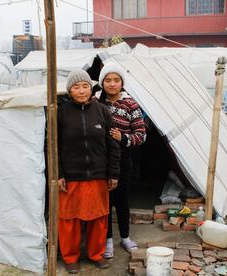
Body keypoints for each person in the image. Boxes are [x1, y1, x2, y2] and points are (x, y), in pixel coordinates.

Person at [57, 69, 121, 274]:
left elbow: (113, 145)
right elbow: (53, 146)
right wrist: (58, 174)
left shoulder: (102, 111)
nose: (81, 90)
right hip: (71, 176)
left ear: (91, 88)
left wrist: (113, 173)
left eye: (85, 86)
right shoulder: (61, 112)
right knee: (69, 220)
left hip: (98, 175)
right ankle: (70, 258)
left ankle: (96, 254)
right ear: (70, 90)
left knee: (98, 218)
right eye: (76, 87)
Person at [94, 63, 146, 258]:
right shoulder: (96, 102)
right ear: (102, 83)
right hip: (100, 158)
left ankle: (124, 237)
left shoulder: (130, 104)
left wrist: (123, 138)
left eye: (116, 80)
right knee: (104, 201)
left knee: (122, 199)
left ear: (122, 82)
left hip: (123, 158)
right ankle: (107, 240)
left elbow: (141, 135)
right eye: (108, 80)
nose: (112, 84)